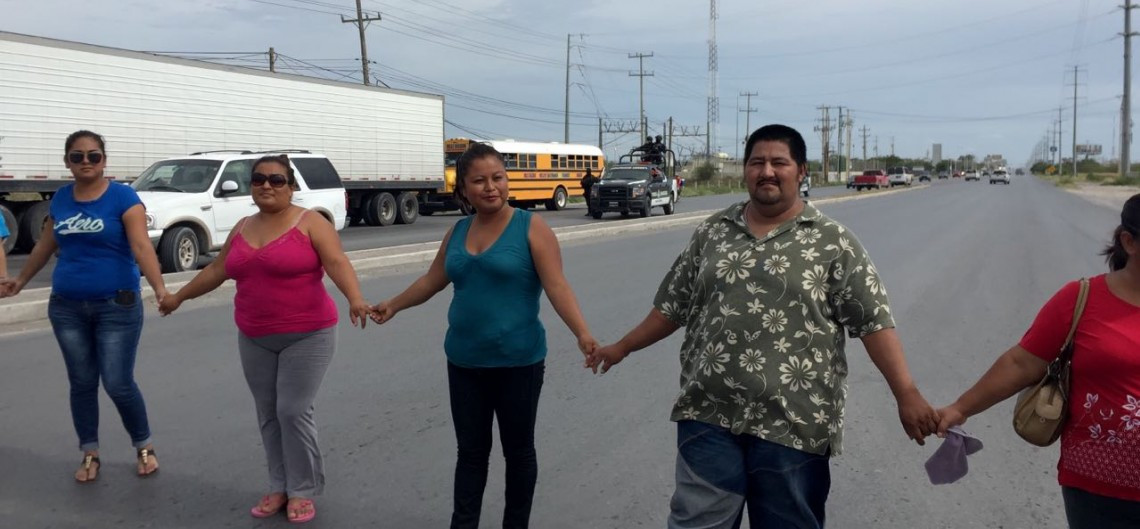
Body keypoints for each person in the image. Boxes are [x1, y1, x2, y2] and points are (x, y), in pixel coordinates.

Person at [587, 124, 938, 529]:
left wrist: (906, 393)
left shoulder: (833, 243)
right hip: (708, 413)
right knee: (696, 522)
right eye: (757, 162)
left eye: (779, 162)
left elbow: (874, 324)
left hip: (794, 424)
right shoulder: (713, 233)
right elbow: (672, 306)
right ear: (745, 170)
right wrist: (622, 347)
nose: (767, 171)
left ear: (801, 171)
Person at [370, 141, 598, 529]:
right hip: (464, 362)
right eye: (479, 181)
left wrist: (582, 334)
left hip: (518, 363)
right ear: (463, 189)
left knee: (519, 452)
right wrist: (393, 305)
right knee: (471, 454)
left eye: (498, 178)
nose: (490, 187)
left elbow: (557, 286)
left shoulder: (532, 228)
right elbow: (432, 280)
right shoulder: (458, 231)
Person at [157, 154, 372, 524]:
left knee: (292, 410)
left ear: (291, 186)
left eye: (276, 180)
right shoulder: (241, 227)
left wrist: (355, 299)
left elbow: (337, 262)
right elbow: (217, 271)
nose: (267, 186)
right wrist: (178, 297)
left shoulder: (311, 223)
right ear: (250, 185)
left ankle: (302, 489)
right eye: (259, 180)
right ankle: (279, 485)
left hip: (309, 334)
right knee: (269, 414)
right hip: (254, 335)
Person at [936, 194, 1140, 528]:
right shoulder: (1082, 299)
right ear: (1128, 242)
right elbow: (1020, 364)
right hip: (1097, 491)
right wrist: (960, 408)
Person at [0, 130, 167, 482]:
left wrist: (160, 289)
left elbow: (140, 246)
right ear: (67, 162)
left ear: (104, 160)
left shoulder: (124, 197)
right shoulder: (60, 199)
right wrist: (20, 281)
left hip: (116, 305)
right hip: (66, 306)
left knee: (118, 382)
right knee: (81, 382)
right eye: (77, 156)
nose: (86, 162)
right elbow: (45, 247)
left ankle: (144, 445)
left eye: (93, 156)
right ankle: (90, 452)